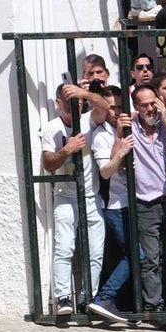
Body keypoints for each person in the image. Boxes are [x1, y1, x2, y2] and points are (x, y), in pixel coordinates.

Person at [41, 82, 110, 316]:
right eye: (68, 101)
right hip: (66, 195)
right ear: (59, 104)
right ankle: (62, 298)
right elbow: (48, 164)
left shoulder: (90, 119)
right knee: (64, 247)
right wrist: (67, 149)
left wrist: (86, 93)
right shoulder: (53, 127)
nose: (74, 104)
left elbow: (105, 107)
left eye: (77, 101)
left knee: (95, 251)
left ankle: (87, 298)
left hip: (91, 196)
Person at [130, 84, 166, 315]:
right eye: (144, 105)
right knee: (151, 258)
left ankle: (165, 299)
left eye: (153, 103)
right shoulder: (129, 129)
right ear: (136, 108)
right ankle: (154, 305)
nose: (150, 108)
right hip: (145, 203)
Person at [89, 85, 136, 324]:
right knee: (134, 254)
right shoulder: (101, 135)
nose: (117, 111)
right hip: (116, 204)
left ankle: (124, 304)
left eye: (120, 106)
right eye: (112, 107)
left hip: (138, 201)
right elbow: (106, 172)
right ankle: (104, 298)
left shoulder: (132, 126)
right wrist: (120, 151)